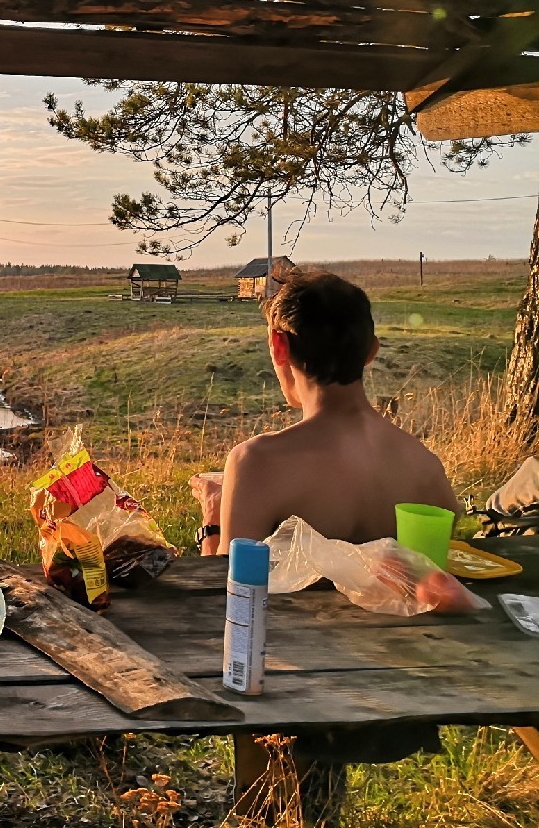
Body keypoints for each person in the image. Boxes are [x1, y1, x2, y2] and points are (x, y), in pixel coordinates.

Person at [192, 269, 459, 826]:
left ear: (278, 345)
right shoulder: (422, 465)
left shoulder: (257, 462)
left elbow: (224, 598)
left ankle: (271, 811)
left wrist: (212, 522)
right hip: (408, 697)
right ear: (371, 352)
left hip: (291, 701)